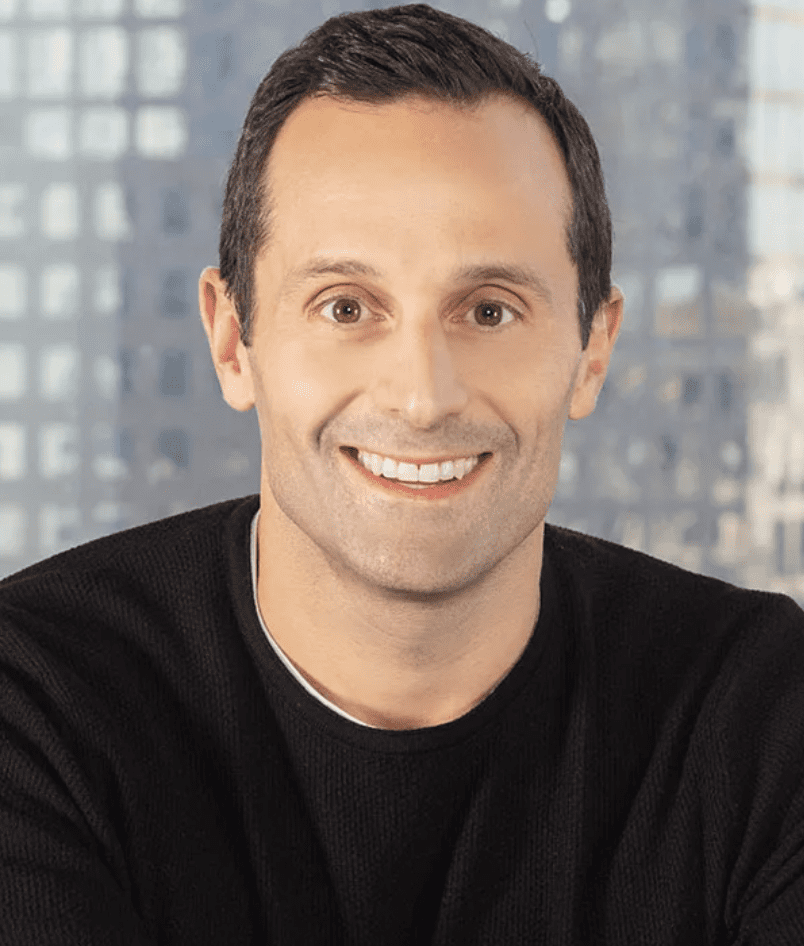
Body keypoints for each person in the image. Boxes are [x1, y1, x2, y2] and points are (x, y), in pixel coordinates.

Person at [2, 4, 804, 943]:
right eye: (346, 307)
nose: (422, 397)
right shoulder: (37, 706)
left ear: (592, 351)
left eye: (491, 311)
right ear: (232, 341)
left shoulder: (761, 713)